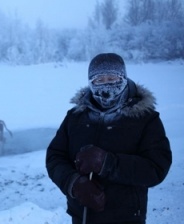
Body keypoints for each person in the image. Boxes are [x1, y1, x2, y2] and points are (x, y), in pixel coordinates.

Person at [45, 53, 172, 224]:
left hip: (126, 217)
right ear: (91, 82)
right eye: (99, 80)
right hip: (82, 217)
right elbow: (55, 157)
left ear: (124, 79)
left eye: (112, 78)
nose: (106, 86)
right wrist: (74, 183)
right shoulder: (75, 117)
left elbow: (156, 168)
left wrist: (106, 163)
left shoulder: (145, 119)